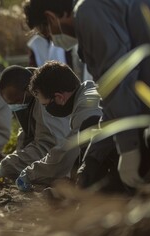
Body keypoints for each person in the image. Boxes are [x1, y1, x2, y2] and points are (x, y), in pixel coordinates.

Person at [23, 0, 150, 189]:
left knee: (143, 165)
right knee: (135, 161)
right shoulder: (91, 23)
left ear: (51, 17)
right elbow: (112, 106)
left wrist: (128, 150)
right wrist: (91, 159)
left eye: (47, 32)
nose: (52, 39)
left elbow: (120, 84)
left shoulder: (90, 12)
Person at [15, 61, 103, 191]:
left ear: (59, 97)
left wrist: (30, 173)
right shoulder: (89, 93)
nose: (46, 110)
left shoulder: (86, 110)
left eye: (45, 105)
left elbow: (65, 154)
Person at [0, 65, 70, 183]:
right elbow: (27, 138)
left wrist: (3, 168)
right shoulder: (29, 98)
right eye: (9, 103)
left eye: (16, 101)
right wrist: (13, 166)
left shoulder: (47, 100)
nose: (14, 106)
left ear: (28, 89)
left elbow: (47, 147)